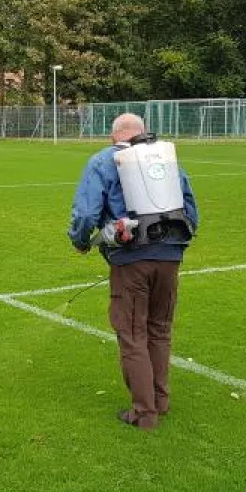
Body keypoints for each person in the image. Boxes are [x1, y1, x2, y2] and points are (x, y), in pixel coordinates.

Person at [68, 113, 200, 430]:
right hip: (170, 255)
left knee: (132, 333)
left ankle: (144, 414)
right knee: (160, 329)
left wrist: (80, 241)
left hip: (131, 258)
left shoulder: (103, 160)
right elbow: (190, 208)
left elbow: (86, 213)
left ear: (113, 136)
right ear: (143, 132)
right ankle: (160, 401)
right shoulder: (165, 159)